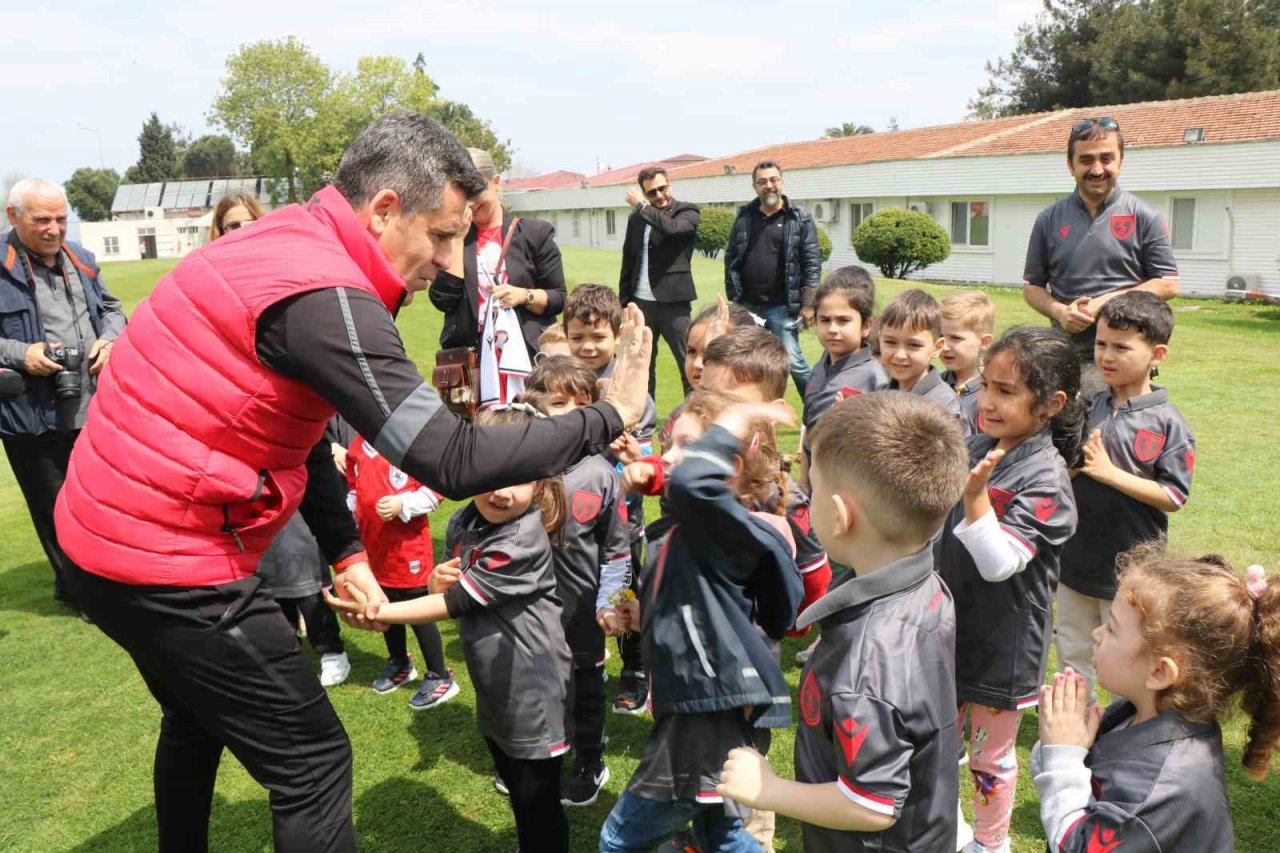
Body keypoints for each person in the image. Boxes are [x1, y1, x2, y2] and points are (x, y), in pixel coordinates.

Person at [53, 112, 653, 853]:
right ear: (385, 210)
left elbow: (296, 426)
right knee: (313, 760)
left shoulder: (284, 243)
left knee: (194, 713)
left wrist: (345, 552)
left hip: (99, 539)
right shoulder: (325, 294)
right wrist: (613, 413)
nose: (450, 260)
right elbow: (453, 458)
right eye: (440, 235)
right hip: (165, 558)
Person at [716, 392, 969, 852]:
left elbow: (872, 803)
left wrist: (769, 790)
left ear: (839, 515)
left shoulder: (865, 666)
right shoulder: (927, 582)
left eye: (810, 492)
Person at [329, 403, 575, 853]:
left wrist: (380, 613)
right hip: (497, 680)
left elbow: (453, 603)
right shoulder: (466, 519)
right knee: (516, 784)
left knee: (536, 797)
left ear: (540, 481)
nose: (500, 491)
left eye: (517, 478)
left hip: (531, 688)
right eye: (490, 474)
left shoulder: (520, 541)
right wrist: (436, 576)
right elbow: (453, 580)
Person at [599, 393, 803, 853]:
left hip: (706, 714)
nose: (668, 456)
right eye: (668, 444)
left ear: (729, 465)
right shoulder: (702, 528)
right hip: (703, 703)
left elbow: (692, 483)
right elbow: (700, 604)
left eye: (686, 445)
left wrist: (734, 417)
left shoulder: (729, 528)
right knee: (721, 835)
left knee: (618, 842)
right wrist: (643, 614)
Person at [937, 326, 1082, 853]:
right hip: (950, 625)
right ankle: (948, 830)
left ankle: (990, 844)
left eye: (1005, 391)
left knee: (988, 759)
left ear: (1050, 404)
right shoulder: (978, 442)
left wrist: (976, 499)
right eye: (985, 386)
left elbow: (1000, 565)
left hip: (1004, 644)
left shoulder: (1046, 479)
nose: (988, 402)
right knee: (941, 745)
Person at [1032, 548, 1280, 851]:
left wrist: (1062, 754)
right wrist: (1062, 744)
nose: (1097, 633)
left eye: (1112, 628)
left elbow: (1075, 846)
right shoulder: (1137, 713)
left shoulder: (1159, 789)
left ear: (1160, 671)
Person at [208, 191, 352, 689]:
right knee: (261, 563)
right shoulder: (213, 290)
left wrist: (328, 441)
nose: (240, 231)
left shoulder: (286, 284)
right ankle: (282, 647)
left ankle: (329, 644)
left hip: (294, 446)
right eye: (230, 226)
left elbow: (314, 375)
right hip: (242, 455)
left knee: (301, 553)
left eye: (248, 222)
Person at [1056, 292, 1194, 698]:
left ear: (1158, 353)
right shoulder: (1086, 406)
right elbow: (1061, 470)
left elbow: (1173, 495)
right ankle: (1070, 725)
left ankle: (1120, 729)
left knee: (1125, 653)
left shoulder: (1168, 423)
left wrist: (1110, 474)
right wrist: (1076, 466)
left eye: (1121, 347)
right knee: (1071, 648)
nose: (1107, 356)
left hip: (1131, 568)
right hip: (1074, 557)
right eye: (1101, 344)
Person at [1, 178, 126, 613]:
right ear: (12, 216)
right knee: (54, 508)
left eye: (61, 218)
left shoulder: (82, 257)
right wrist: (22, 353)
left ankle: (97, 579)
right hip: (29, 412)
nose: (55, 229)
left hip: (92, 403)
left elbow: (112, 309)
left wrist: (110, 339)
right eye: (42, 220)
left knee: (100, 498)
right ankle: (83, 595)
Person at [523, 363, 633, 806]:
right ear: (534, 406)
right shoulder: (517, 465)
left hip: (583, 610)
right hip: (528, 611)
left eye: (582, 405)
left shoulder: (601, 474)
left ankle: (591, 761)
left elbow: (618, 551)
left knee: (586, 688)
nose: (572, 414)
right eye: (559, 403)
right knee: (537, 686)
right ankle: (539, 758)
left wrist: (610, 601)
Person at [1023, 117, 1179, 395]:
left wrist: (1104, 303)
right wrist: (1060, 312)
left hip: (1123, 359)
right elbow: (1032, 288)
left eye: (1106, 159)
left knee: (1111, 437)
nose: (1097, 169)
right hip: (1063, 357)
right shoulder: (1048, 219)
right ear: (1071, 165)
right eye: (1086, 160)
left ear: (1121, 161)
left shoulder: (1144, 216)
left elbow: (1168, 283)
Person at [561, 284, 657, 715]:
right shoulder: (561, 385)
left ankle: (634, 667)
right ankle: (586, 660)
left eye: (598, 337)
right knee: (577, 589)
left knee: (623, 588)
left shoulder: (636, 395)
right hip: (570, 519)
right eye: (577, 336)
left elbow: (646, 459)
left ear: (616, 337)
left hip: (621, 517)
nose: (587, 346)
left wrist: (624, 455)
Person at [429, 148, 566, 405]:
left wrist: (523, 295)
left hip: (526, 357)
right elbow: (442, 300)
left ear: (496, 182)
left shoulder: (534, 234)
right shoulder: (449, 237)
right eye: (463, 195)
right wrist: (458, 238)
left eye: (477, 191)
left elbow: (559, 297)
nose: (471, 203)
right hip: (472, 365)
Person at [344, 432, 457, 708]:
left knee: (418, 608)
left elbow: (434, 490)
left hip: (407, 550)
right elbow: (354, 488)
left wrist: (402, 504)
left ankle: (440, 675)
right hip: (374, 548)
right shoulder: (357, 446)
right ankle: (399, 663)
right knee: (382, 603)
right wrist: (348, 508)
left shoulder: (407, 444)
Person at [724, 161, 820, 395]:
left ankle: (818, 412)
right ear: (755, 186)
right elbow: (731, 256)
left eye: (773, 180)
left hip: (782, 307)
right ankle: (759, 417)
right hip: (748, 305)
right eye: (762, 181)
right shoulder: (745, 217)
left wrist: (809, 304)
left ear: (781, 182)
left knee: (794, 363)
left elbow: (812, 263)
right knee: (749, 364)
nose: (769, 186)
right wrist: (734, 296)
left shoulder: (799, 218)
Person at [620, 166, 701, 397]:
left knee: (687, 361)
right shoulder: (637, 218)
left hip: (674, 303)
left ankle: (695, 418)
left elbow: (673, 231)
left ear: (670, 185)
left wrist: (641, 206)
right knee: (642, 365)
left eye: (661, 188)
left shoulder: (686, 211)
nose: (659, 196)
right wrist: (624, 302)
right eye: (651, 193)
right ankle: (644, 421)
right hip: (641, 302)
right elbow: (629, 258)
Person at [802, 266, 885, 440]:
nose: (832, 329)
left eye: (843, 321)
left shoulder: (875, 378)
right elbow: (809, 434)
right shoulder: (820, 367)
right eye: (825, 320)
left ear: (866, 326)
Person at [877, 289, 961, 419]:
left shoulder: (943, 405)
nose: (899, 355)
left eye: (913, 345)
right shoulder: (878, 395)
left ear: (937, 347)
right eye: (890, 342)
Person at [939, 291, 995, 437]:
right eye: (940, 336)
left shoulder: (993, 393)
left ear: (984, 342)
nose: (944, 346)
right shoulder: (935, 384)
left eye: (956, 338)